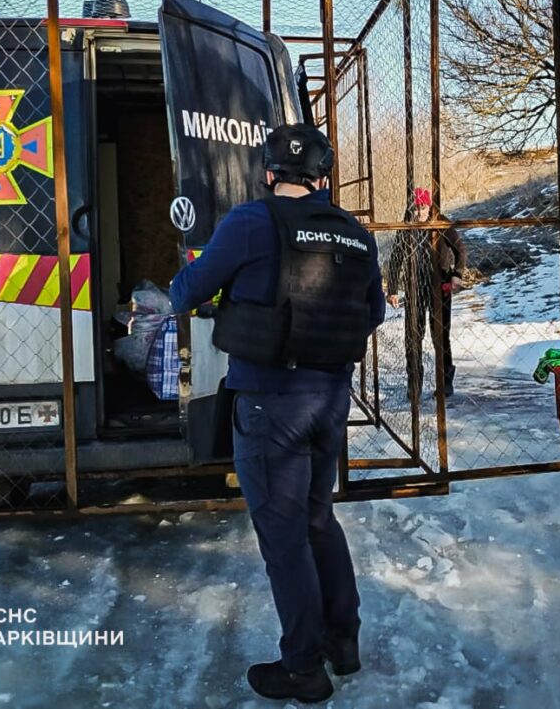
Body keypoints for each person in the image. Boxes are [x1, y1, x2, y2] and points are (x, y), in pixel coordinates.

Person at [170, 123, 385, 704]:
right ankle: (343, 642)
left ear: (269, 173)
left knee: (284, 538)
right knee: (319, 519)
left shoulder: (249, 222)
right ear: (323, 177)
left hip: (270, 403)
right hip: (329, 400)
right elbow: (375, 311)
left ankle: (303, 669)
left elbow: (187, 291)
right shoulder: (355, 234)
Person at [385, 187, 467, 399]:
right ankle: (414, 385)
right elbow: (396, 259)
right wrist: (393, 289)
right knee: (413, 337)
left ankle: (445, 383)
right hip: (414, 288)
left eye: (422, 207)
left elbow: (460, 250)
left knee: (441, 337)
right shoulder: (407, 228)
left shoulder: (441, 222)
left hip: (439, 287)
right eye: (415, 208)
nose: (419, 211)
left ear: (429, 206)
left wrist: (457, 274)